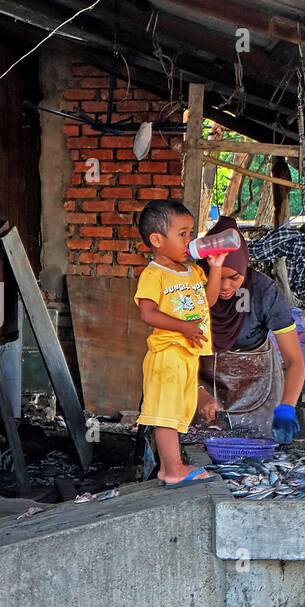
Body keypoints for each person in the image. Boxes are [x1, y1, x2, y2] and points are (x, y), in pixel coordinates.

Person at [133, 199, 227, 484]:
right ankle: (173, 469)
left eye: (191, 233)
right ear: (157, 239)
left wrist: (217, 267)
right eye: (183, 234)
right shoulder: (154, 274)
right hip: (167, 354)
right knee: (166, 414)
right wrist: (183, 326)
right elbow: (147, 312)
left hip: (188, 355)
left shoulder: (193, 271)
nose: (190, 240)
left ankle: (169, 467)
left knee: (179, 409)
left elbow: (208, 300)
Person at [194, 216, 305, 444]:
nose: (226, 287)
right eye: (216, 276)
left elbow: (294, 361)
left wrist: (286, 408)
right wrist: (198, 394)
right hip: (198, 386)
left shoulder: (264, 292)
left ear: (245, 266)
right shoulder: (191, 293)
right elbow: (171, 351)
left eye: (234, 277)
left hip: (258, 393)